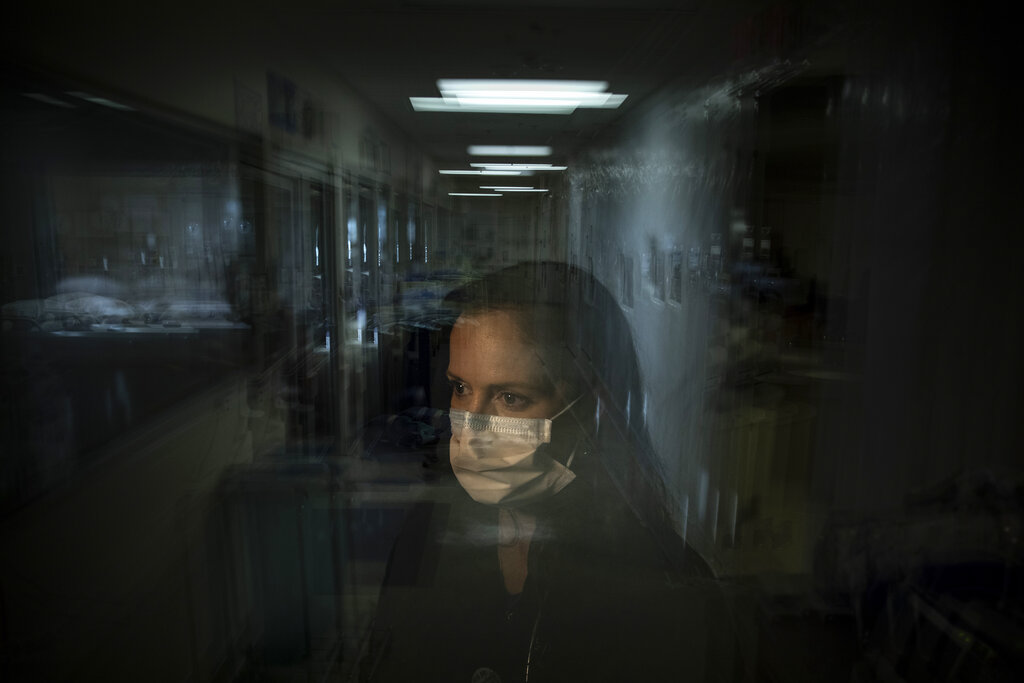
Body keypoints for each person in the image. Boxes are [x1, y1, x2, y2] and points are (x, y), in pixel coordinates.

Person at [358, 262, 744, 682]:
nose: (471, 428)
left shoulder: (666, 587)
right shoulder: (429, 532)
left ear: (592, 410)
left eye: (511, 398)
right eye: (461, 388)